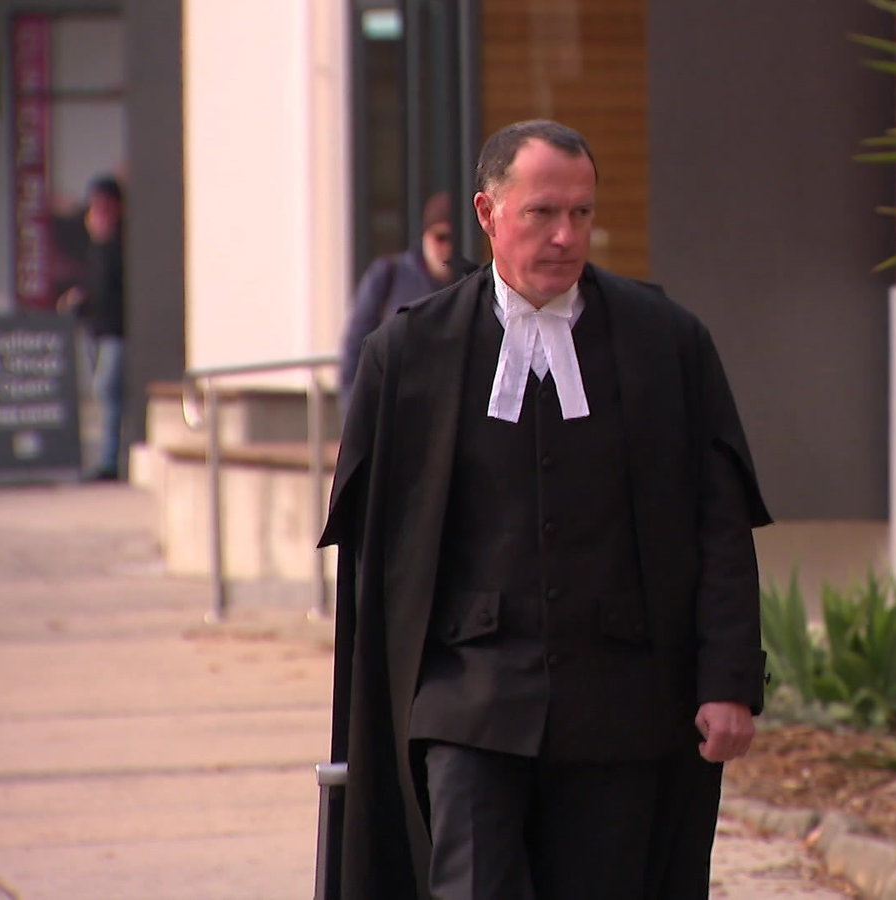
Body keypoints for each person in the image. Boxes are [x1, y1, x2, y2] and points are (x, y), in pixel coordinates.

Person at [319, 119, 771, 900]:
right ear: (489, 214)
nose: (566, 236)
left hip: (623, 706)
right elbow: (378, 559)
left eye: (582, 215)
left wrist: (728, 678)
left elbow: (719, 524)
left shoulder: (668, 343)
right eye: (542, 213)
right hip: (467, 703)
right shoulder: (410, 354)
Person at [338, 191, 462, 409]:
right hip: (393, 411)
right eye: (440, 237)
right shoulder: (388, 275)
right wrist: (354, 417)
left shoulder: (475, 284)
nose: (447, 248)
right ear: (425, 235)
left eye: (454, 239)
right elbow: (355, 348)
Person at [57, 176, 126, 480]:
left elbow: (116, 288)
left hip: (117, 330)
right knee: (103, 395)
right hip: (94, 329)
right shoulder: (95, 246)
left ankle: (110, 460)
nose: (98, 213)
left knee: (107, 389)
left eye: (104, 206)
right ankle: (106, 456)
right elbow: (94, 286)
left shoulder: (122, 244)